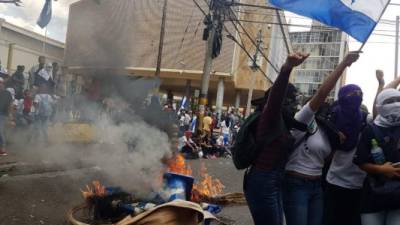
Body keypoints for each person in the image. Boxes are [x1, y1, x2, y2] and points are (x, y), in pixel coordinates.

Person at [282, 52, 360, 225]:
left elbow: (326, 159)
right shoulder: (302, 118)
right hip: (296, 184)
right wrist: (344, 63)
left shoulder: (328, 131)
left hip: (317, 186)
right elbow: (322, 94)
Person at [244, 52, 309, 225]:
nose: (295, 105)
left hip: (273, 179)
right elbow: (275, 98)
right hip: (262, 181)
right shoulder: (270, 116)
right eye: (292, 100)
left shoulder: (285, 123)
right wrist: (286, 69)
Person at [354, 88, 400, 225]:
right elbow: (360, 161)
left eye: (398, 100)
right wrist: (381, 170)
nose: (396, 104)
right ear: (379, 106)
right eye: (390, 101)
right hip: (373, 196)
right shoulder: (371, 129)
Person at [0, 78, 13, 156]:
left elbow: (10, 104)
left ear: (3, 84)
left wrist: (10, 115)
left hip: (3, 115)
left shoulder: (7, 93)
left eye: (0, 83)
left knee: (0, 131)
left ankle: (3, 149)